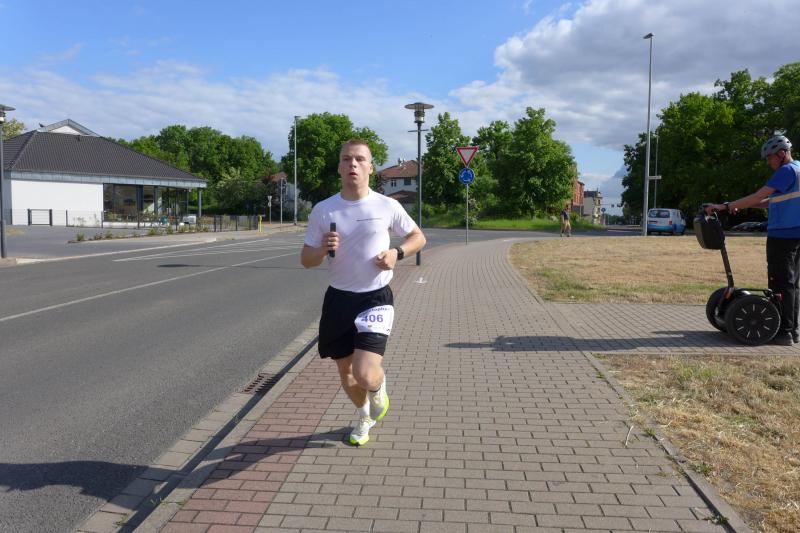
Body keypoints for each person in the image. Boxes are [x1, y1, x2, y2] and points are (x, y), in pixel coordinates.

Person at [301, 139, 426, 445]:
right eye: (346, 159)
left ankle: (378, 388)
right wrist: (322, 249)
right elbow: (306, 260)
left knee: (365, 373)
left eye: (359, 159)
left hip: (375, 298)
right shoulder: (323, 209)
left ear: (371, 167)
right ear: (339, 168)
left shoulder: (387, 205)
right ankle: (364, 416)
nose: (353, 164)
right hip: (339, 299)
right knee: (346, 374)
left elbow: (418, 237)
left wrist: (397, 253)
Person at [706, 134, 800, 346]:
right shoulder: (798, 169)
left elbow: (758, 196)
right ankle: (791, 330)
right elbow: (768, 201)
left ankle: (783, 332)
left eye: (770, 157)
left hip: (783, 236)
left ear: (782, 153)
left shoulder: (786, 171)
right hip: (795, 235)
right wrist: (739, 205)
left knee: (780, 283)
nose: (768, 162)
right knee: (791, 285)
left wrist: (725, 206)